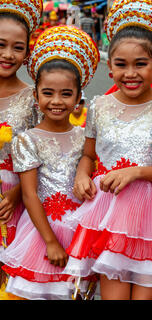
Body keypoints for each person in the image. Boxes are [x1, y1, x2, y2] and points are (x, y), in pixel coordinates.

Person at [63, 0, 152, 300]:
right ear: (109, 67)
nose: (130, 73)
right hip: (109, 212)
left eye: (141, 64)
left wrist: (136, 172)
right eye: (121, 64)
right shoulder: (99, 106)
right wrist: (83, 174)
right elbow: (88, 154)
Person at [1, 25, 99, 300]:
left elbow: (91, 163)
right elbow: (30, 194)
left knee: (76, 293)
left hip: (79, 231)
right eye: (48, 93)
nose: (57, 101)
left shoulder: (85, 137)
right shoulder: (27, 140)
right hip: (41, 232)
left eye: (66, 94)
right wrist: (50, 241)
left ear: (79, 98)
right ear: (36, 96)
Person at [0, 0, 43, 299]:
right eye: (1, 44)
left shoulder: (34, 99)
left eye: (18, 47)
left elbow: (47, 156)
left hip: (13, 202)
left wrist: (16, 195)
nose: (8, 54)